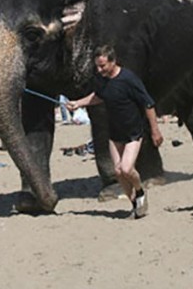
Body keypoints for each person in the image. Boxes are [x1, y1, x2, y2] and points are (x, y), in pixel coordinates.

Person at [67, 45, 163, 219]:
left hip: (133, 131)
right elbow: (98, 96)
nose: (99, 69)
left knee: (126, 169)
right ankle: (135, 204)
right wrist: (78, 103)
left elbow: (148, 104)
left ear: (113, 61)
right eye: (97, 66)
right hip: (115, 133)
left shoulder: (129, 79)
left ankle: (140, 192)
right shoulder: (102, 79)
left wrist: (155, 131)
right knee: (118, 172)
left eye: (102, 65)